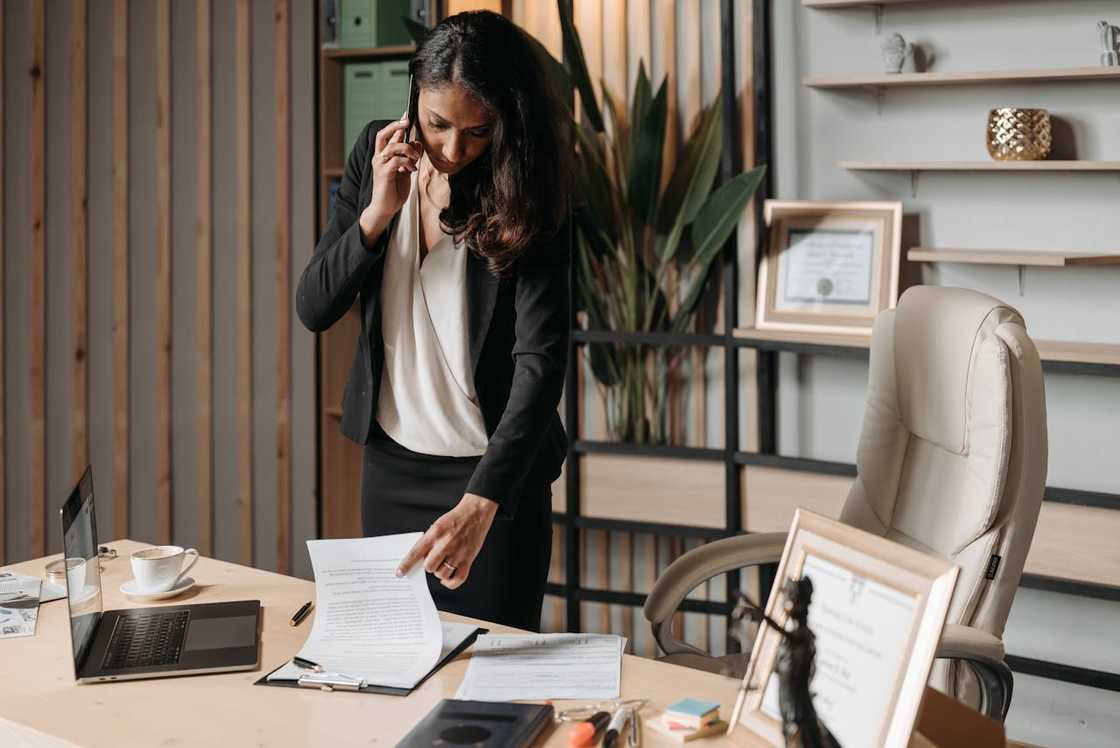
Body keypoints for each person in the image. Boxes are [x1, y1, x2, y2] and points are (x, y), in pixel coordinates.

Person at [296, 10, 571, 631]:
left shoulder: (529, 191)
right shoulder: (375, 153)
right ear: (413, 97)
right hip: (392, 470)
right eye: (438, 124)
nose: (452, 149)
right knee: (393, 669)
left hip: (493, 480)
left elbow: (541, 365)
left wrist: (483, 503)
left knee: (491, 676)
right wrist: (376, 214)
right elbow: (315, 305)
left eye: (477, 132)